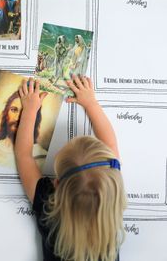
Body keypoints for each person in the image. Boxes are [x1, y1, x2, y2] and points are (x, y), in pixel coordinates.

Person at [15, 75, 126, 261]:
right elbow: (110, 148)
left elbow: (23, 156)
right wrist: (91, 104)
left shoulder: (49, 211)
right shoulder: (109, 207)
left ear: (56, 184)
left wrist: (30, 110)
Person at [0, 91, 47, 170]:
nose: (17, 118)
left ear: (35, 119)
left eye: (24, 112)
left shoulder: (42, 158)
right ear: (6, 114)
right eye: (14, 110)